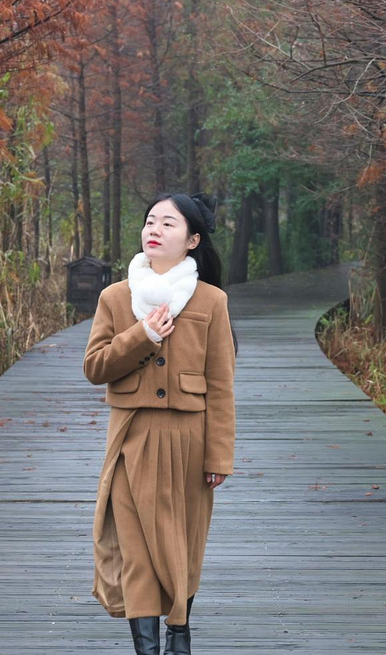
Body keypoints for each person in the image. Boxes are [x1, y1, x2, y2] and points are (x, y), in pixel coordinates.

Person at [83, 192, 237, 655]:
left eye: (168, 223)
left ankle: (179, 637)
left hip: (190, 442)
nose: (155, 229)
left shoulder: (212, 301)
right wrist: (142, 335)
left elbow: (221, 386)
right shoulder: (115, 297)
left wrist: (219, 456)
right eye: (151, 221)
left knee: (181, 543)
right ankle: (148, 649)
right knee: (136, 549)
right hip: (131, 438)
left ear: (192, 240)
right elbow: (94, 367)